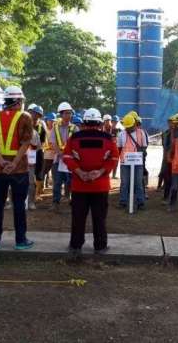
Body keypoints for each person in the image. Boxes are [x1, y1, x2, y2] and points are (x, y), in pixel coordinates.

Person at [62, 108, 119, 255]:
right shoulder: (108, 139)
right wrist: (99, 172)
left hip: (79, 185)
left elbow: (67, 157)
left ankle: (75, 246)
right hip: (100, 186)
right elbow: (114, 158)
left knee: (78, 218)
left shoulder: (74, 138)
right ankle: (100, 246)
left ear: (84, 122)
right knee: (99, 218)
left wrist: (80, 172)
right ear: (100, 122)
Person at [0, 86, 34, 250]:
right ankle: (20, 241)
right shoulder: (25, 117)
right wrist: (13, 163)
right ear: (18, 101)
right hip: (19, 169)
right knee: (19, 204)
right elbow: (26, 142)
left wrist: (1, 160)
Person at [117, 113, 147, 210]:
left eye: (130, 127)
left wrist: (139, 154)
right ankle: (123, 201)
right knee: (125, 182)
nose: (128, 129)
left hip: (138, 162)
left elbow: (144, 147)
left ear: (134, 124)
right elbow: (119, 148)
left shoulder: (141, 133)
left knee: (138, 182)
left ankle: (140, 202)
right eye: (127, 127)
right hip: (124, 163)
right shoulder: (121, 134)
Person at [51, 101, 77, 212]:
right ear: (61, 114)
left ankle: (73, 202)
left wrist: (68, 155)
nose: (68, 115)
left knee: (72, 181)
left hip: (71, 160)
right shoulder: (55, 128)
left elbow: (77, 144)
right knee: (57, 182)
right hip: (58, 159)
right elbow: (53, 143)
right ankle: (55, 202)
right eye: (66, 113)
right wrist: (60, 154)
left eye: (70, 113)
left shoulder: (75, 128)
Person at [27, 105, 44, 210]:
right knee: (13, 181)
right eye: (34, 114)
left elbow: (37, 148)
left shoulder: (36, 132)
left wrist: (32, 160)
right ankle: (12, 202)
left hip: (30, 160)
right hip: (16, 160)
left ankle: (31, 202)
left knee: (30, 182)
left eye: (38, 115)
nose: (35, 117)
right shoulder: (17, 128)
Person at [41, 112, 56, 188]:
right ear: (47, 120)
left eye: (53, 121)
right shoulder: (44, 130)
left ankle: (47, 185)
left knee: (52, 172)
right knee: (44, 171)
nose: (52, 122)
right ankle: (42, 186)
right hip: (46, 155)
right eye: (50, 120)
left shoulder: (56, 130)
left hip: (54, 156)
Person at [110, 115, 120, 179]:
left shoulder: (119, 130)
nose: (115, 123)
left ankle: (113, 175)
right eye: (114, 121)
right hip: (109, 148)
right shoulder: (109, 129)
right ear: (112, 121)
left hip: (116, 148)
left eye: (116, 121)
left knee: (116, 162)